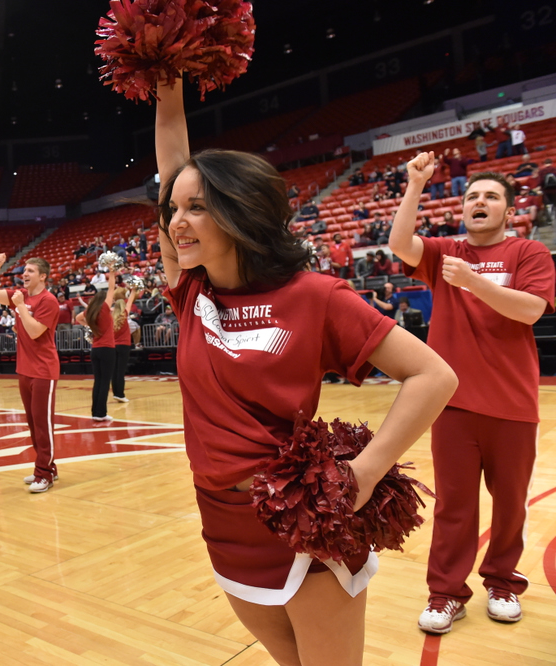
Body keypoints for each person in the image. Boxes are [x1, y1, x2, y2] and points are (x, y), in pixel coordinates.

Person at [155, 78, 455, 665]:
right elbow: (172, 162)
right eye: (173, 210)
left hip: (299, 520)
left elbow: (433, 376)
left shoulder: (317, 296)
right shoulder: (191, 294)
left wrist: (367, 471)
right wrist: (168, 86)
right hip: (221, 520)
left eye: (196, 207)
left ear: (240, 212)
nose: (176, 221)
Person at [389, 152, 556, 634]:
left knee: (510, 505)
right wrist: (416, 186)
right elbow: (401, 243)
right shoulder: (446, 253)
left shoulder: (529, 253)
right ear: (462, 208)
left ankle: (502, 582)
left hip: (513, 404)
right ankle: (445, 594)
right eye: (471, 197)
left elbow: (529, 311)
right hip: (454, 404)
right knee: (454, 506)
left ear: (508, 210)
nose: (479, 202)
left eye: (490, 197)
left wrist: (474, 283)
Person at [0, 252, 60, 493]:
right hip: (25, 369)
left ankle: (44, 474)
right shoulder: (22, 296)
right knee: (32, 422)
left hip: (44, 370)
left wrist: (20, 308)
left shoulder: (48, 300)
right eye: (24, 271)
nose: (24, 274)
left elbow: (35, 331)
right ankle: (47, 467)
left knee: (43, 424)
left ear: (43, 276)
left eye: (29, 271)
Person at [76, 288, 117, 422]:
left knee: (98, 381)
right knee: (105, 381)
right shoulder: (104, 308)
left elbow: (77, 318)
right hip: (107, 349)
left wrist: (92, 326)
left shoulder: (93, 311)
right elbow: (112, 287)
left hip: (96, 349)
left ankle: (96, 412)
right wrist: (111, 272)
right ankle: (101, 413)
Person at [111, 285, 138, 403]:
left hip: (112, 345)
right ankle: (120, 394)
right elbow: (131, 298)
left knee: (114, 370)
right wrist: (134, 289)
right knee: (121, 371)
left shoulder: (110, 317)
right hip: (124, 345)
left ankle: (115, 393)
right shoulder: (125, 313)